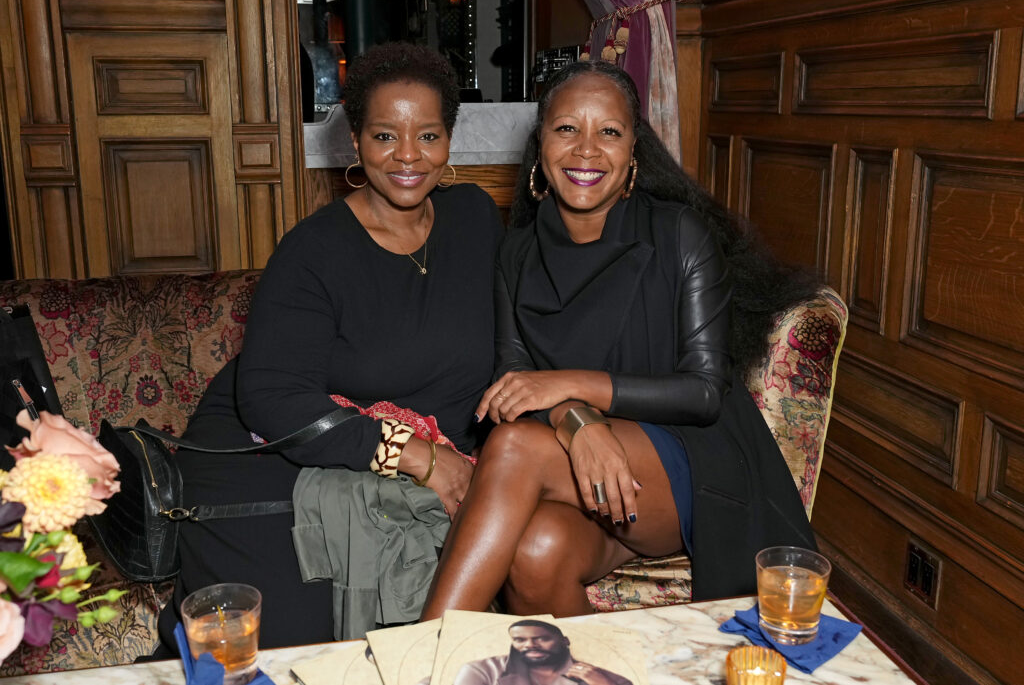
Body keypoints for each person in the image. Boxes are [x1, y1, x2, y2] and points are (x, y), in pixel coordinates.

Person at [421, 60, 818, 619]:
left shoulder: (680, 235)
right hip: (582, 477)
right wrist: (578, 423)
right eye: (567, 129)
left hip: (688, 471)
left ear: (634, 151)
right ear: (541, 146)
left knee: (510, 448)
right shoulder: (516, 254)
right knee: (536, 555)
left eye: (609, 131)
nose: (587, 149)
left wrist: (571, 388)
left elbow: (704, 392)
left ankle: (429, 657)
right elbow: (513, 390)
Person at [156, 42, 502, 649]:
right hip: (268, 464)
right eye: (384, 136)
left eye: (428, 135)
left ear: (449, 140)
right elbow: (271, 399)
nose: (408, 157)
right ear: (354, 143)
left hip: (386, 466)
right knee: (308, 652)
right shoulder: (313, 252)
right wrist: (418, 456)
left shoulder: (475, 218)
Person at [454, 620, 632, 685]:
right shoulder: (482, 670)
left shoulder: (612, 681)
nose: (530, 645)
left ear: (565, 641)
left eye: (541, 638)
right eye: (520, 640)